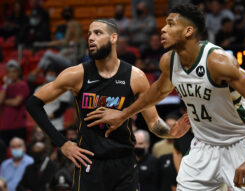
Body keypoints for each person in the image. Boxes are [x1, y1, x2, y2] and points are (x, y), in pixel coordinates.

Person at [86, 4, 245, 190]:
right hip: (204, 145)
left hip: (239, 143)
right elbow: (157, 92)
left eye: (170, 24)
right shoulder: (169, 61)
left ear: (188, 31)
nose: (163, 29)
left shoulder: (218, 61)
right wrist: (122, 114)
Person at [26, 18, 190, 191]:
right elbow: (33, 103)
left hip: (124, 163)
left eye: (97, 33)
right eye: (89, 34)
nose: (91, 38)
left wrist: (170, 132)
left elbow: (153, 122)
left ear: (113, 38)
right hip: (89, 162)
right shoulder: (76, 74)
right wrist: (63, 143)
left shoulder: (135, 77)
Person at [0, 60, 30, 146]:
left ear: (19, 72)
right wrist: (5, 85)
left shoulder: (22, 85)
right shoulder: (5, 87)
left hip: (18, 125)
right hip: (5, 126)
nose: (12, 74)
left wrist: (4, 102)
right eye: (9, 72)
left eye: (14, 72)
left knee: (20, 150)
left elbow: (16, 102)